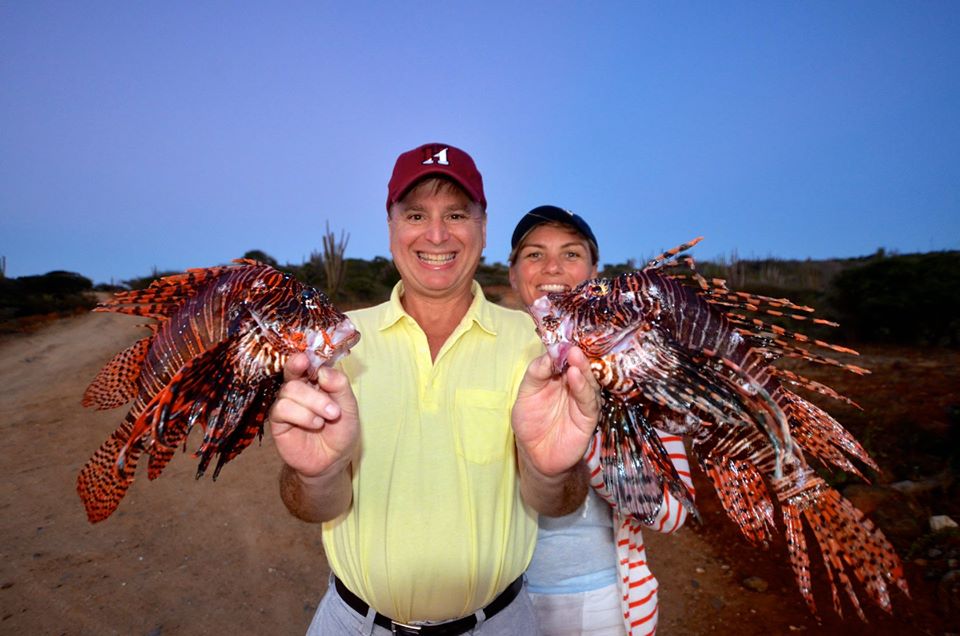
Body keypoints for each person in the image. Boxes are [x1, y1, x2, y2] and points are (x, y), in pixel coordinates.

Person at [266, 143, 601, 635]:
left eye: (457, 215)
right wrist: (316, 477)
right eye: (417, 214)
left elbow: (558, 501)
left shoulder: (543, 348)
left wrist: (552, 473)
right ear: (391, 228)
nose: (437, 234)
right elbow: (309, 504)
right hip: (354, 623)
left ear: (483, 229)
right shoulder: (332, 343)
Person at [508, 206, 694, 636]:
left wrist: (590, 429)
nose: (552, 267)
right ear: (513, 274)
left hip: (598, 602)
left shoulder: (635, 366)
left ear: (594, 271)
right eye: (534, 254)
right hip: (494, 606)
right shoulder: (486, 356)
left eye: (571, 254)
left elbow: (671, 513)